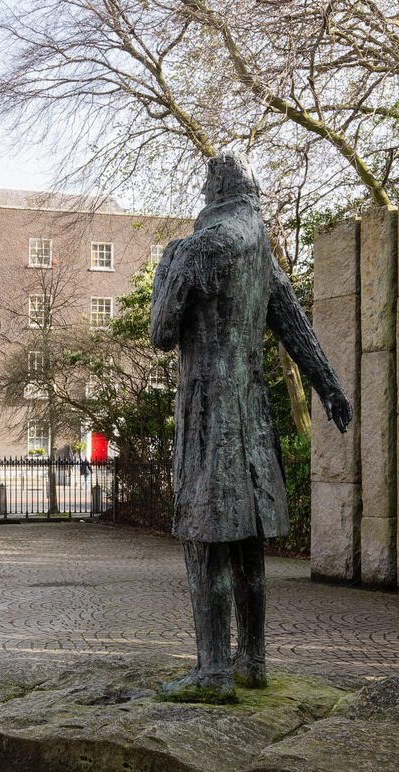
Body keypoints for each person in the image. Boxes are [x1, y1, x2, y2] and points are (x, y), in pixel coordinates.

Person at [149, 151, 350, 703]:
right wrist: (331, 388)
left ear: (212, 192)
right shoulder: (260, 253)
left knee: (205, 542)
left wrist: (168, 268)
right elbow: (297, 330)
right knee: (247, 544)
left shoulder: (198, 248)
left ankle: (213, 670)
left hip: (209, 414)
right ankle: (253, 660)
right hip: (253, 417)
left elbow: (162, 333)